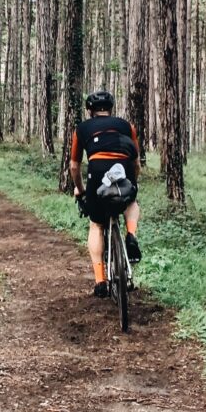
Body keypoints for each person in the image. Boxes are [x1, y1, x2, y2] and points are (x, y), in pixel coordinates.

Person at [69, 90, 142, 298]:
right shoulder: (127, 126)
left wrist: (80, 190)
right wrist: (133, 182)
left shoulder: (82, 128)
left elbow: (74, 166)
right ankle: (131, 235)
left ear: (90, 110)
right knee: (131, 203)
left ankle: (100, 280)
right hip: (124, 168)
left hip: (97, 171)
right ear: (111, 109)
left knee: (97, 224)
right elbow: (136, 162)